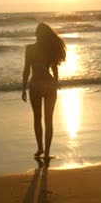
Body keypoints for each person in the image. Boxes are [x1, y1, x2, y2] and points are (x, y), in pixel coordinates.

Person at [22, 22, 66, 159]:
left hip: (35, 85)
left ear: (36, 34)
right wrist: (55, 84)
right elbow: (54, 70)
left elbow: (26, 70)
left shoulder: (29, 49)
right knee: (49, 120)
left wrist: (23, 88)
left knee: (37, 119)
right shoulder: (50, 49)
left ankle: (40, 148)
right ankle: (47, 152)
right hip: (49, 84)